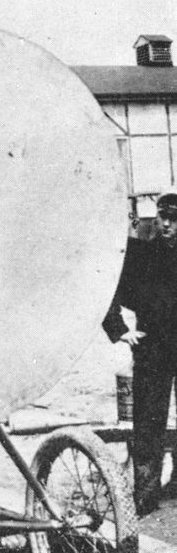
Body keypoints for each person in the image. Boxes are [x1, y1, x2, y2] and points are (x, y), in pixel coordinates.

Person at [103, 187, 177, 516]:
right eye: (163, 217)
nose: (167, 225)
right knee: (148, 423)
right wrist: (119, 329)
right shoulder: (143, 251)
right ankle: (145, 495)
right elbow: (109, 284)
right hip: (154, 348)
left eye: (174, 219)